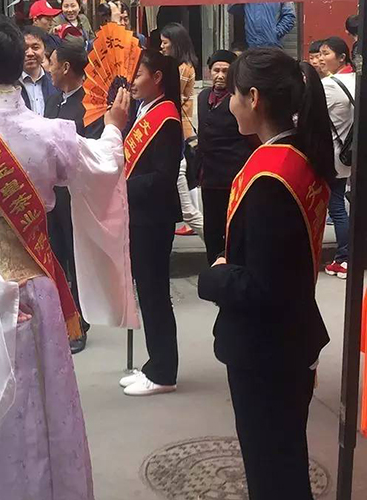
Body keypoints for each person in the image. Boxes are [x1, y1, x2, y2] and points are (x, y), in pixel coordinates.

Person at [0, 12, 137, 500]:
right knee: (39, 407)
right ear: (21, 64)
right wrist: (113, 127)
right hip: (36, 289)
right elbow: (104, 166)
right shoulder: (52, 134)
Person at [198, 47, 334, 500]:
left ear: (253, 98)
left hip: (266, 350)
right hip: (291, 338)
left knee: (272, 472)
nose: (229, 104)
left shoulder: (270, 178)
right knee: (284, 461)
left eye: (235, 95)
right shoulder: (300, 155)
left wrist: (214, 276)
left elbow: (263, 286)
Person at [120, 50, 183, 397]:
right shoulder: (142, 110)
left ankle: (163, 371)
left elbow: (163, 177)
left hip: (153, 219)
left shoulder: (167, 118)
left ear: (157, 77)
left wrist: (121, 186)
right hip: (140, 216)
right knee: (147, 292)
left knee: (155, 294)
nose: (132, 81)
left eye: (138, 74)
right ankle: (154, 363)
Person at [44, 38, 100, 354]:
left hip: (76, 194)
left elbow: (92, 152)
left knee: (76, 260)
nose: (48, 68)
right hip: (52, 191)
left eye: (51, 62)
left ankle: (79, 322)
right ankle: (60, 317)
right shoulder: (53, 101)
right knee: (56, 256)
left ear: (65, 67)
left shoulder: (90, 105)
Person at [197, 50, 256, 264]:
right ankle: (213, 269)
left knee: (232, 229)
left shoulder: (239, 100)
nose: (220, 75)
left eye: (225, 71)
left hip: (233, 177)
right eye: (216, 70)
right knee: (211, 230)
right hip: (209, 177)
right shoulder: (203, 97)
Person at [161, 23, 203, 239]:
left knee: (186, 175)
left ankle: (196, 222)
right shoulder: (178, 66)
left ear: (175, 44)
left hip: (181, 125)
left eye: (165, 43)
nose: (162, 47)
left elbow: (173, 95)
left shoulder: (183, 69)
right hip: (180, 124)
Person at [319, 37, 356, 280]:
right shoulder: (355, 80)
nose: (321, 58)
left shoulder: (330, 85)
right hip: (349, 153)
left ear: (342, 57)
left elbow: (308, 115)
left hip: (332, 154)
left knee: (336, 207)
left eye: (326, 53)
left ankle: (344, 257)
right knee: (340, 203)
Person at [20, 26, 60, 116]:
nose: (30, 53)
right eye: (24, 48)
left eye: (35, 47)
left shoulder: (55, 83)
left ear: (44, 50)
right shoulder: (10, 85)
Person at [228, 3, 295, 49]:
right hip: (249, 46)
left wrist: (275, 34)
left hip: (272, 46)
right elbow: (233, 10)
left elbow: (289, 16)